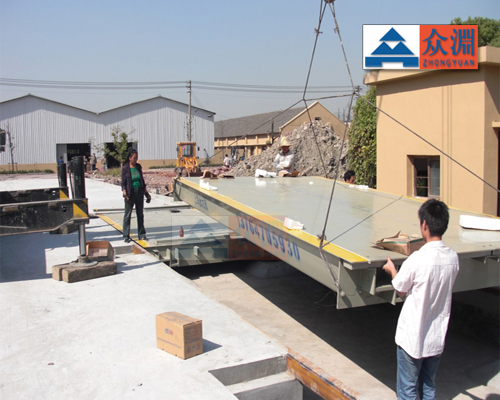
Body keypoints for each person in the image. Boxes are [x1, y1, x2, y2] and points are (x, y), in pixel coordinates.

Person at [382, 199, 459, 400]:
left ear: (424, 224)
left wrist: (392, 270)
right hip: (435, 337)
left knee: (407, 389)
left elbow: (400, 289)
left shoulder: (417, 259)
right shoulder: (453, 258)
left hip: (412, 338)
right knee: (428, 385)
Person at [121, 149, 151, 243]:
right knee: (127, 215)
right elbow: (123, 183)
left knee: (140, 214)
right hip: (130, 193)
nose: (136, 160)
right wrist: (124, 192)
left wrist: (146, 193)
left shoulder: (138, 167)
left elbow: (141, 180)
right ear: (129, 158)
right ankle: (126, 235)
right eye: (134, 158)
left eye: (136, 158)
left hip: (139, 192)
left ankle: (142, 234)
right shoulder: (125, 168)